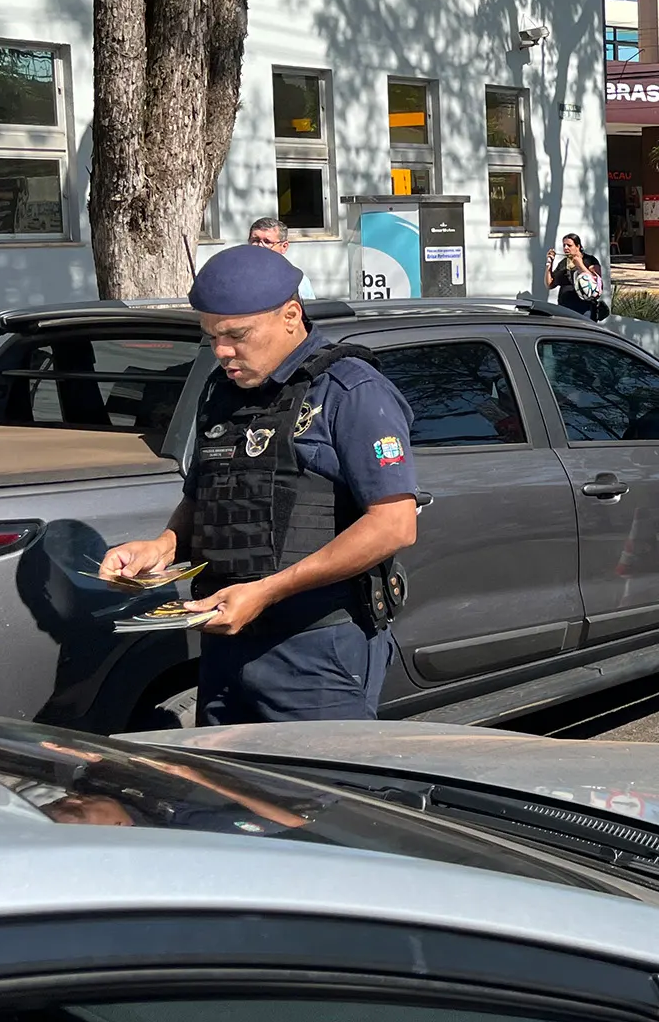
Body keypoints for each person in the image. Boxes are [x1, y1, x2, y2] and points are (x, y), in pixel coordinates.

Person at [99, 244, 419, 722]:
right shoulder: (222, 391)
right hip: (225, 642)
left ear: (291, 316)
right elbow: (207, 494)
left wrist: (267, 591)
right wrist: (162, 547)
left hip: (316, 648)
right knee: (230, 794)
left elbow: (394, 525)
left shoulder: (351, 391)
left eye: (237, 335)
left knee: (318, 794)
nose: (222, 351)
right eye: (210, 338)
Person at [248, 218, 317, 300]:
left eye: (267, 242)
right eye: (255, 240)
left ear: (284, 246)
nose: (260, 246)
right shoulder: (236, 275)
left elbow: (308, 310)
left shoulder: (296, 280)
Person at [545, 233, 605, 318]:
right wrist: (549, 264)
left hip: (584, 310)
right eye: (564, 245)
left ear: (578, 246)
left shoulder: (589, 260)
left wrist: (580, 265)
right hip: (564, 308)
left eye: (569, 245)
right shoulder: (563, 263)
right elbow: (550, 284)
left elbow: (596, 283)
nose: (566, 248)